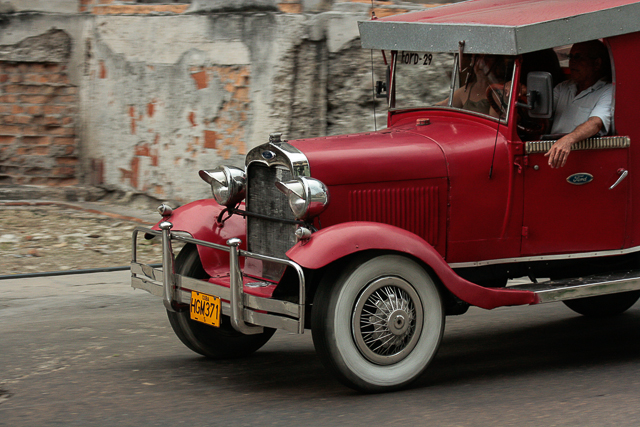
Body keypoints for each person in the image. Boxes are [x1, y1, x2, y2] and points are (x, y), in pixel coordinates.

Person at [545, 40, 613, 168]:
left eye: (578, 57)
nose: (572, 62)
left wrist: (568, 140)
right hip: (552, 153)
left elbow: (596, 123)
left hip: (585, 159)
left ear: (597, 63)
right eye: (570, 57)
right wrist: (524, 93)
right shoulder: (563, 87)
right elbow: (542, 110)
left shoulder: (607, 90)